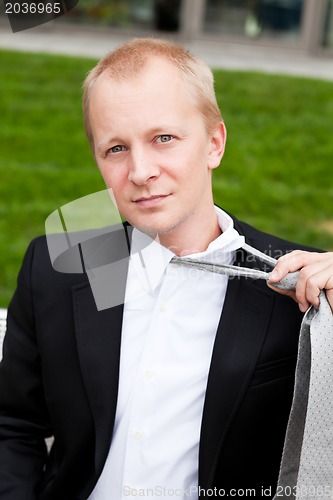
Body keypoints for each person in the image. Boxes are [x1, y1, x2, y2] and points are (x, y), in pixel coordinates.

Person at [0, 38, 332, 500]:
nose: (140, 171)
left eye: (164, 139)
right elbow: (13, 423)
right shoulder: (64, 261)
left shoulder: (294, 281)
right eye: (115, 148)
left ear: (214, 143)